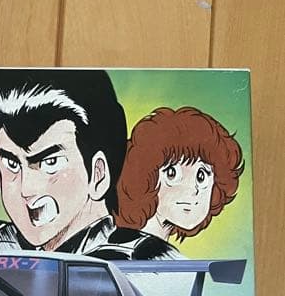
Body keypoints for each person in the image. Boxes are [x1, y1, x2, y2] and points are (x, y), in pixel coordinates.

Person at [0, 68, 127, 253]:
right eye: (12, 165)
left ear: (98, 174)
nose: (27, 189)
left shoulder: (136, 257)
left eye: (51, 162)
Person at [104, 106, 245, 258]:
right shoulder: (127, 254)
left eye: (201, 176)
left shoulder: (162, 254)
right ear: (144, 179)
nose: (192, 190)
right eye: (172, 173)